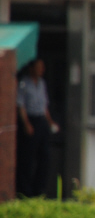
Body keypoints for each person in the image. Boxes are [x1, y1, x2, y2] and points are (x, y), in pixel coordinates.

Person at [16, 58, 58, 197]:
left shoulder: (42, 83)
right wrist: (26, 124)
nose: (42, 70)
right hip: (30, 120)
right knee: (27, 157)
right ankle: (25, 190)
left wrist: (50, 122)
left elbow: (45, 106)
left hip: (41, 121)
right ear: (31, 68)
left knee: (45, 156)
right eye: (39, 67)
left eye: (42, 67)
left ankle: (39, 190)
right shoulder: (23, 83)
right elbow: (20, 105)